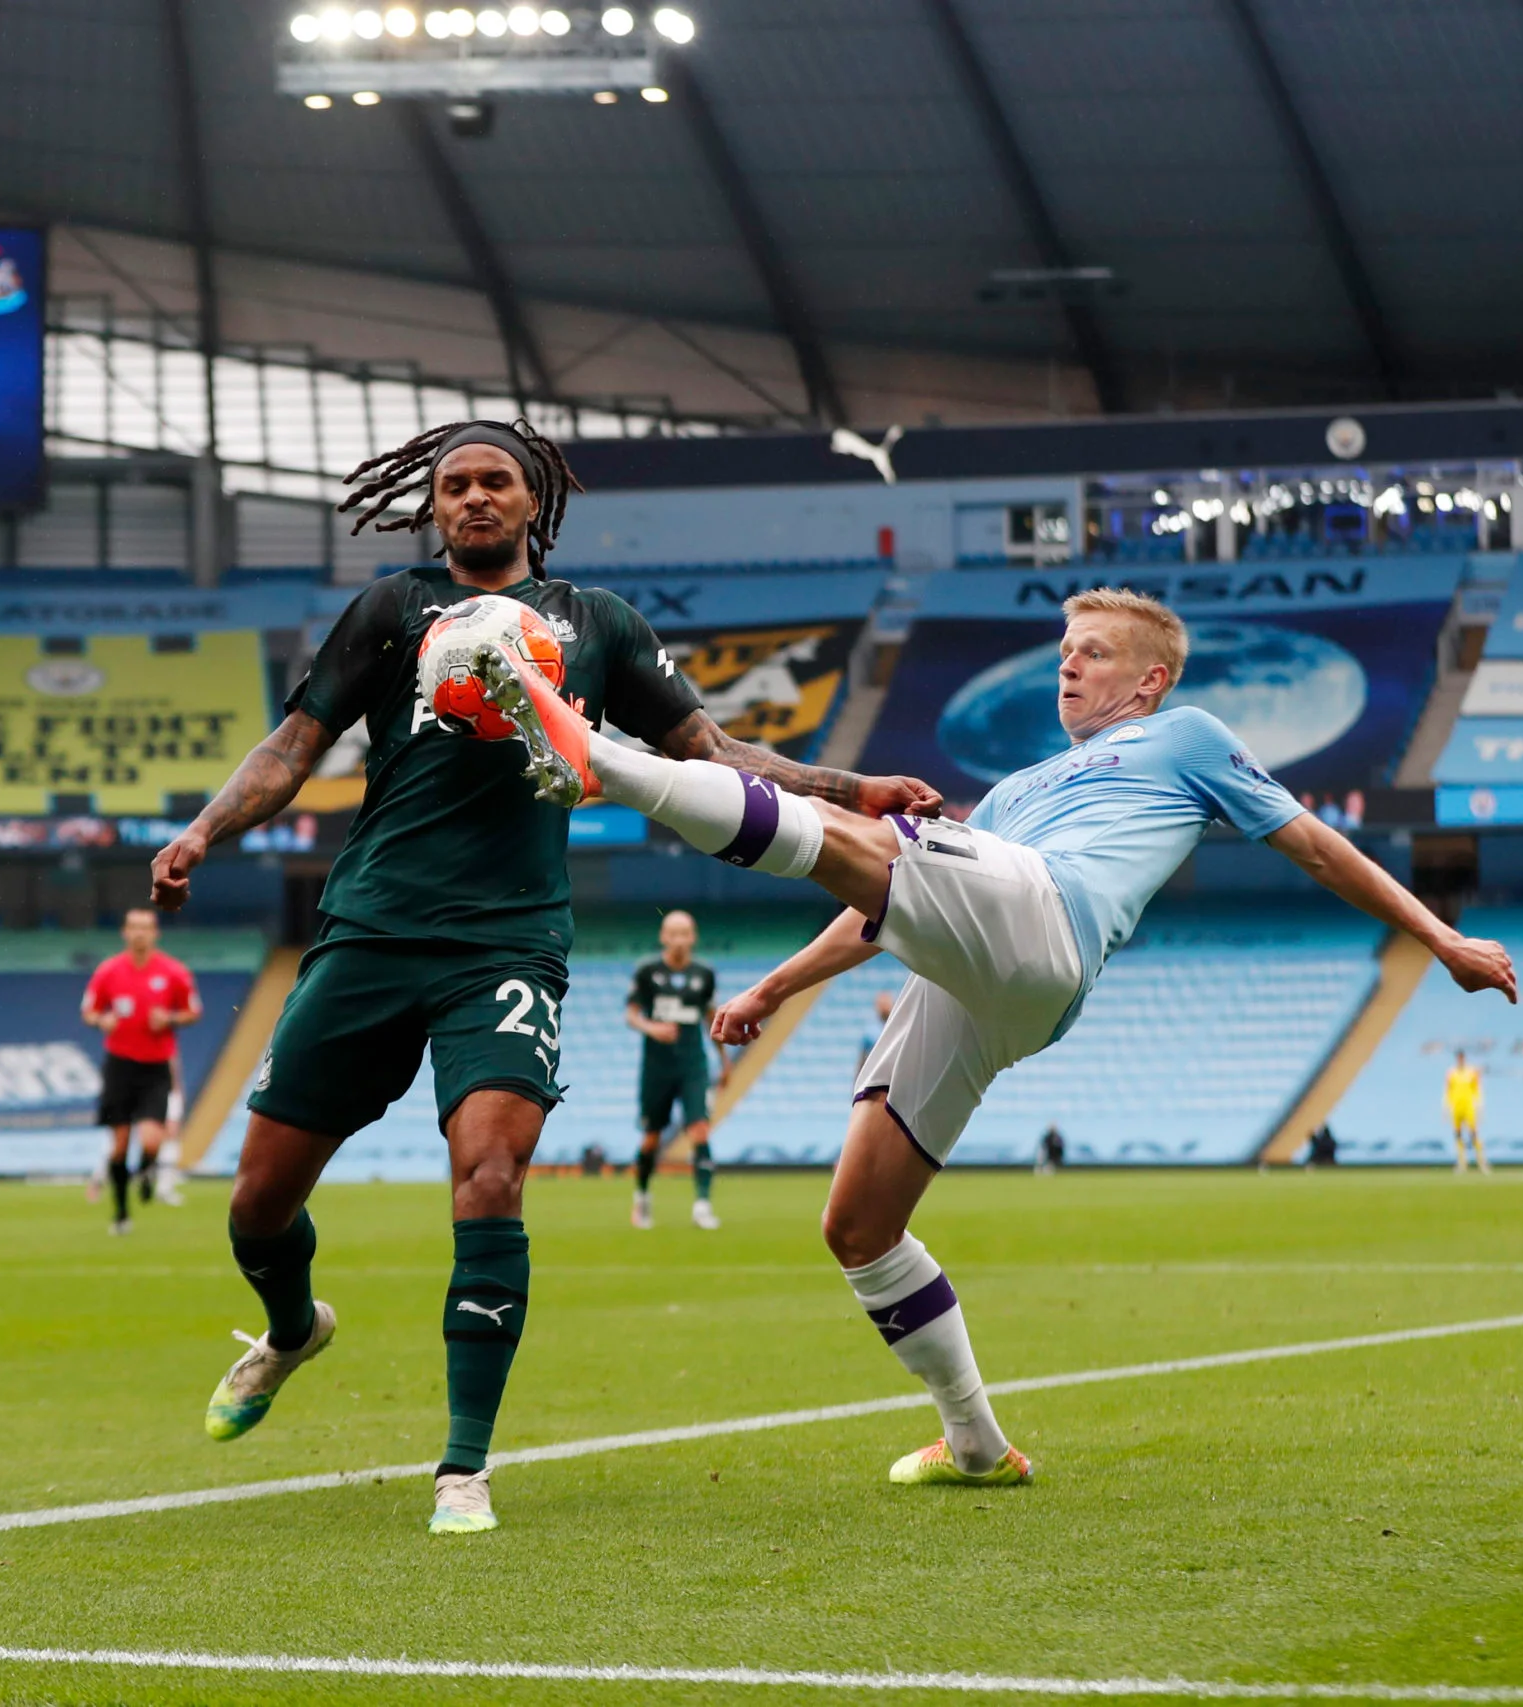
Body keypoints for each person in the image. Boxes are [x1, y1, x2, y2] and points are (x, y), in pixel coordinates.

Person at [474, 585, 1516, 1489]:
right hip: (983, 975)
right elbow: (894, 899)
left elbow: (1317, 846)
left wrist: (1440, 938)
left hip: (1051, 923)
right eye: (1064, 652)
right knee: (858, 1225)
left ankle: (602, 762)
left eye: (1092, 653)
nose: (1068, 666)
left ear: (1149, 682)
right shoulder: (1017, 789)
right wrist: (774, 986)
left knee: (885, 840)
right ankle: (975, 1443)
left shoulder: (1187, 737)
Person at [148, 418, 937, 1535]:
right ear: (433, 507)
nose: (474, 497)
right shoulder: (390, 610)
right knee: (257, 1204)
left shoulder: (597, 624)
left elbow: (714, 758)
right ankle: (290, 1331)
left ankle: (461, 1469)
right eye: (454, 485)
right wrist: (201, 831)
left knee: (490, 1175)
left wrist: (852, 790)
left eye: (495, 481)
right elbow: (291, 747)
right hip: (370, 931)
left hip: (508, 943)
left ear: (533, 502)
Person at [81, 907, 202, 1234]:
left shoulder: (173, 972)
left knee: (151, 1139)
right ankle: (121, 1214)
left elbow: (193, 1011)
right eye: (133, 927)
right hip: (119, 1065)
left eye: (145, 927)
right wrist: (101, 1020)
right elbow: (89, 1011)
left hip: (155, 1067)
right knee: (119, 1144)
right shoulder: (108, 971)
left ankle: (147, 1170)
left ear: (155, 933)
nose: (139, 933)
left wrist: (171, 1018)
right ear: (124, 932)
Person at [626, 909, 731, 1231]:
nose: (680, 940)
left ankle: (702, 1205)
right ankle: (642, 1197)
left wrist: (725, 1061)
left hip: (692, 1064)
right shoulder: (647, 971)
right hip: (657, 1066)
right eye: (674, 934)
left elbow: (711, 1019)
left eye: (685, 933)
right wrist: (653, 1028)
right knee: (651, 1138)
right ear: (663, 936)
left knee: (699, 1129)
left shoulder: (704, 974)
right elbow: (631, 1015)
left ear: (693, 937)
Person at [1444, 1049, 1486, 1174]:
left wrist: (1479, 1105)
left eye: (1462, 1057)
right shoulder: (1451, 1073)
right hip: (1457, 1107)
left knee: (1474, 1134)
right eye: (1459, 1058)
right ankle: (1462, 1163)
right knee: (1458, 1135)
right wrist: (1446, 1106)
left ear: (1464, 1058)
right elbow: (1448, 1090)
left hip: (1469, 1107)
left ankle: (1481, 1162)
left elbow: (1477, 1089)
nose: (1460, 1060)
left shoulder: (1471, 1072)